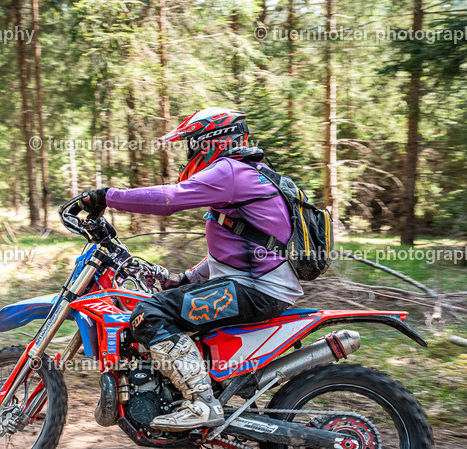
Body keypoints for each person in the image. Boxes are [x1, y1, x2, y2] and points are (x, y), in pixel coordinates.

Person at [75, 107, 303, 431]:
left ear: (211, 142)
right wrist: (183, 279)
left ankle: (201, 403)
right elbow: (235, 253)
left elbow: (171, 198)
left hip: (256, 289)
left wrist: (106, 196)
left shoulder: (232, 171)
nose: (189, 153)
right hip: (255, 285)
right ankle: (176, 398)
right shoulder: (247, 173)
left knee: (148, 316)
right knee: (167, 305)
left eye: (191, 144)